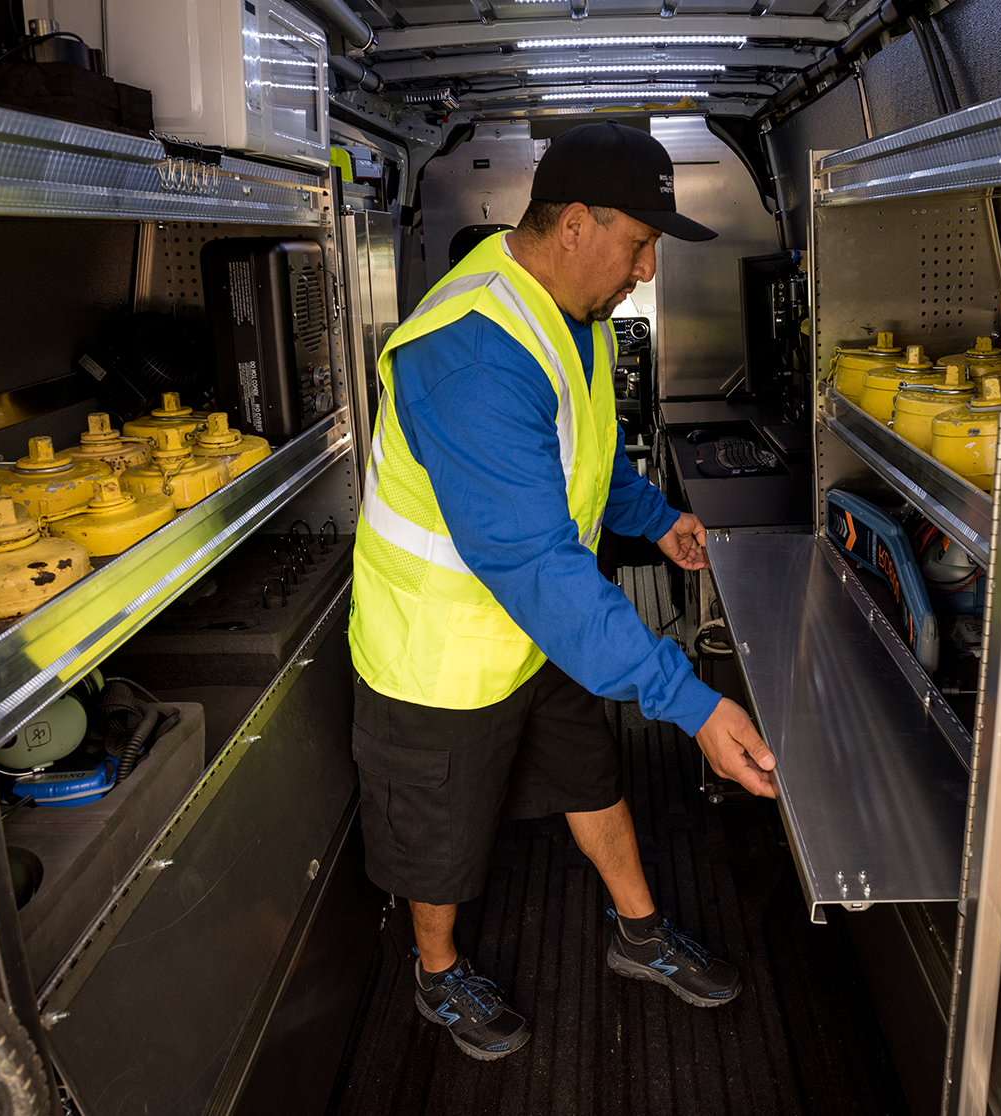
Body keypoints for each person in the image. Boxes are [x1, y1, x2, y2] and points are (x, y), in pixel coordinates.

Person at [348, 121, 778, 1062]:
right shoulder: (471, 352)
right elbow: (536, 564)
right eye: (641, 242)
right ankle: (435, 977)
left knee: (591, 773)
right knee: (441, 840)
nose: (649, 270)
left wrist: (657, 517)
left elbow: (583, 459)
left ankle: (640, 933)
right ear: (576, 223)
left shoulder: (571, 317)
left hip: (542, 634)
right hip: (442, 657)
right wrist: (694, 705)